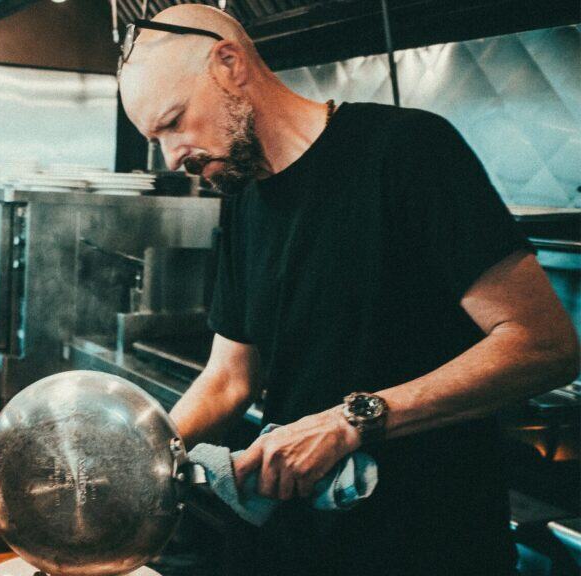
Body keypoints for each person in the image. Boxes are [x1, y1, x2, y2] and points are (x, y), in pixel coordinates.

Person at [118, 5, 579, 575]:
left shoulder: (407, 151)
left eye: (174, 121)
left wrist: (351, 420)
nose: (172, 155)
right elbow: (229, 377)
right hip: (301, 545)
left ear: (229, 63)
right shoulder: (244, 203)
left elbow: (544, 344)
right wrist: (132, 460)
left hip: (427, 546)